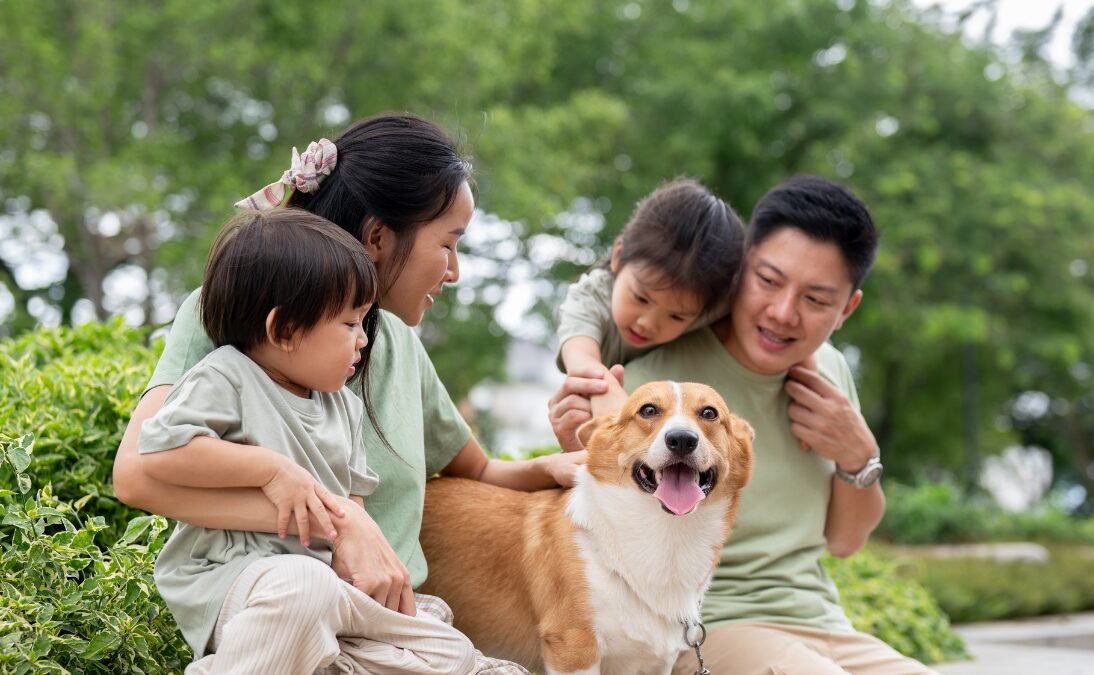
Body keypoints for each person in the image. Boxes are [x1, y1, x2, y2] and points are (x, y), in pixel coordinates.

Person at [113, 112, 579, 672]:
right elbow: (139, 473)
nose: (454, 272)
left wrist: (557, 466)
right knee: (302, 594)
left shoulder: (400, 345)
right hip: (284, 608)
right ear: (379, 237)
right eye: (449, 244)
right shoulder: (237, 310)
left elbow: (474, 470)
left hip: (380, 621)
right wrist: (342, 523)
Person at [549, 175, 935, 675]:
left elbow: (844, 542)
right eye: (769, 281)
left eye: (816, 300)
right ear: (739, 270)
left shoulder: (830, 372)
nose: (782, 313)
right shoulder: (656, 388)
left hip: (826, 626)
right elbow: (596, 303)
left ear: (847, 310)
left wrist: (859, 455)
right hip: (709, 624)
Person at [141, 209, 480, 673]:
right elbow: (160, 452)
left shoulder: (343, 406)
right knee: (305, 589)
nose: (363, 340)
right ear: (284, 330)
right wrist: (273, 470)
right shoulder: (227, 376)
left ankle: (324, 659)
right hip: (241, 580)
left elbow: (353, 512)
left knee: (448, 647)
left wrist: (370, 585)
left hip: (324, 584)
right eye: (349, 324)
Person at [555, 179, 744, 428]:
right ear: (618, 255)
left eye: (676, 317)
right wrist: (614, 403)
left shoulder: (710, 299)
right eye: (641, 298)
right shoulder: (588, 300)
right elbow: (585, 366)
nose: (647, 323)